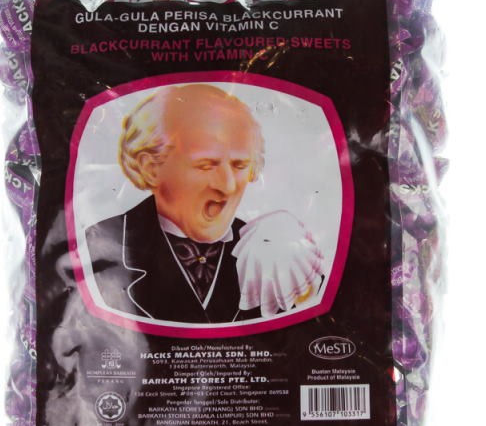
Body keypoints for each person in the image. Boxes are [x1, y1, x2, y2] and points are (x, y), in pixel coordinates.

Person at [85, 83, 322, 324]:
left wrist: (301, 262)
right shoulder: (97, 243)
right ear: (151, 168)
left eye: (240, 165)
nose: (228, 186)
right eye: (206, 165)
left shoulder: (269, 249)